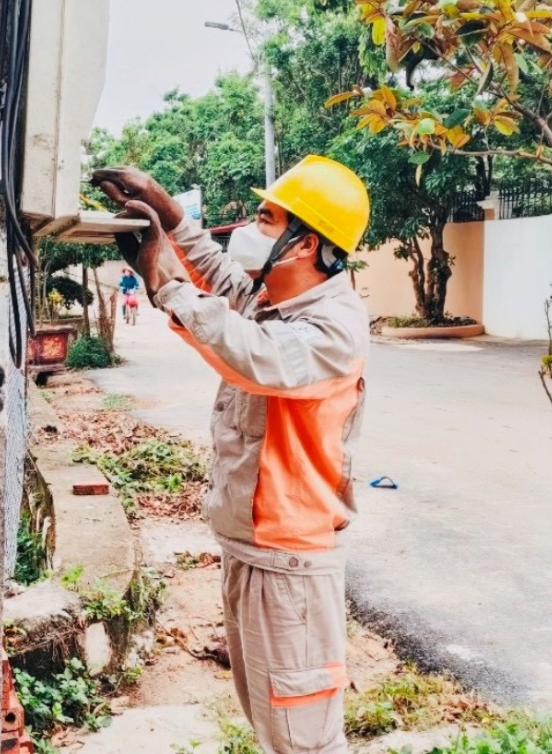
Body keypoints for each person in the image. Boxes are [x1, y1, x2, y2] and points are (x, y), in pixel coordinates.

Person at [93, 156, 371, 754]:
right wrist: (171, 215)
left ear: (306, 244)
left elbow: (250, 352)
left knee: (304, 742)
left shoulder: (330, 330)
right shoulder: (280, 300)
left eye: (267, 219)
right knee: (274, 728)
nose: (251, 226)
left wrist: (167, 284)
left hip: (289, 564)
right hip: (254, 550)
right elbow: (224, 281)